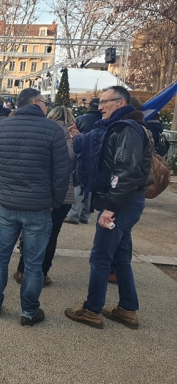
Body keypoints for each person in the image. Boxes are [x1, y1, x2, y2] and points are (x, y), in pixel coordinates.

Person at [65, 86, 152, 330]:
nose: (100, 106)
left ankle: (92, 310)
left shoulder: (126, 130)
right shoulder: (124, 127)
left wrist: (110, 208)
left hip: (121, 202)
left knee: (101, 257)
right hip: (127, 200)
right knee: (121, 256)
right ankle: (127, 309)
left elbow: (125, 171)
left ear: (121, 103)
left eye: (105, 102)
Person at [0, 88, 70, 326]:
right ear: (35, 102)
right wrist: (54, 202)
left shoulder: (1, 127)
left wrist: (0, 192)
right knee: (33, 263)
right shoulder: (52, 130)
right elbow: (62, 174)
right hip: (39, 207)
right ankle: (29, 311)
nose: (46, 105)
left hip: (9, 205)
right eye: (44, 101)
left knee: (0, 257)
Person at [13, 106, 76, 287]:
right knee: (52, 235)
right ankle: (42, 273)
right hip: (65, 194)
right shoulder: (74, 139)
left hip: (40, 192)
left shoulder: (44, 133)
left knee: (30, 232)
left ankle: (22, 270)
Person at [65, 98, 102, 225]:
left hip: (82, 154)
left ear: (89, 107)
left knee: (79, 183)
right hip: (99, 156)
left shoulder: (80, 119)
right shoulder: (104, 121)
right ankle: (85, 214)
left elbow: (74, 137)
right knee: (90, 185)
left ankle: (74, 214)